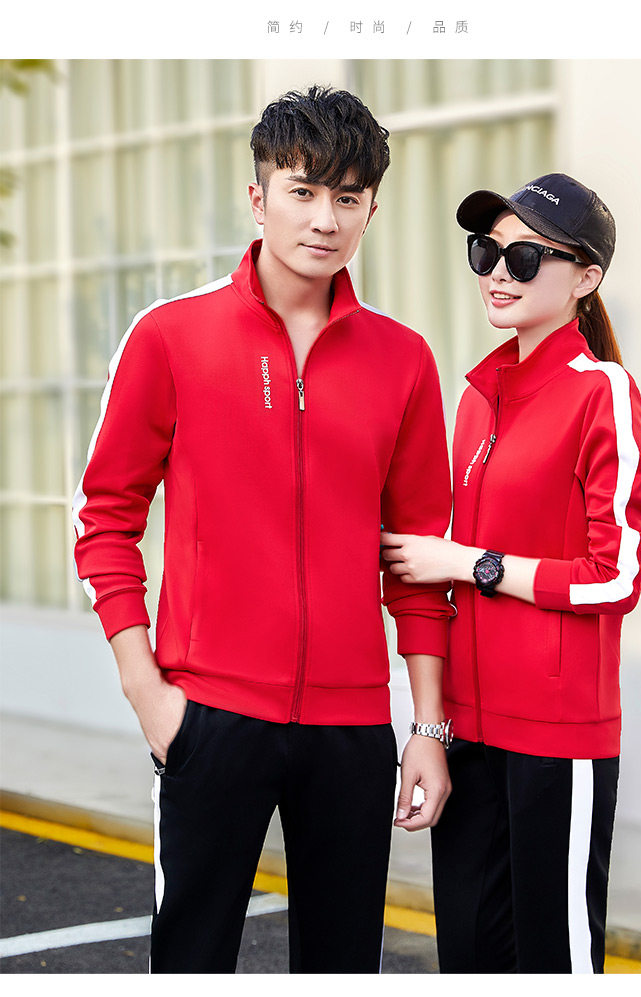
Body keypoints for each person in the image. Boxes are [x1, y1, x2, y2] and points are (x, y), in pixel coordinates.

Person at [72, 85, 453, 974]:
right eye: (302, 189)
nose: (324, 218)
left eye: (347, 197)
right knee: (192, 962)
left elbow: (418, 559)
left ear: (370, 211)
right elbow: (105, 518)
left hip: (352, 728)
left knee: (342, 966)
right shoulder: (171, 336)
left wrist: (426, 728)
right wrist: (146, 689)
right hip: (209, 715)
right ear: (259, 196)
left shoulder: (403, 360)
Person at [382, 173, 641, 973]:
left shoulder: (603, 392)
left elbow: (617, 576)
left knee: (554, 961)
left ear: (585, 277)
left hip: (557, 739)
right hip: (468, 731)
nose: (499, 273)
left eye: (525, 257)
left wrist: (471, 563)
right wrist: (431, 727)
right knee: (467, 958)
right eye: (487, 252)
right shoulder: (476, 399)